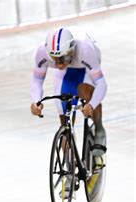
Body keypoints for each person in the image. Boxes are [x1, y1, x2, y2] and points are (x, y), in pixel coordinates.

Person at [30, 27, 107, 158]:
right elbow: (37, 80)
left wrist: (91, 105)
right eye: (55, 59)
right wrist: (36, 101)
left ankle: (99, 129)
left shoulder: (86, 50)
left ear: (71, 50)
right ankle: (70, 169)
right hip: (67, 72)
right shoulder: (42, 53)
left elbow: (101, 84)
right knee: (64, 114)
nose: (59, 64)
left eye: (63, 58)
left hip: (86, 65)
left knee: (84, 90)